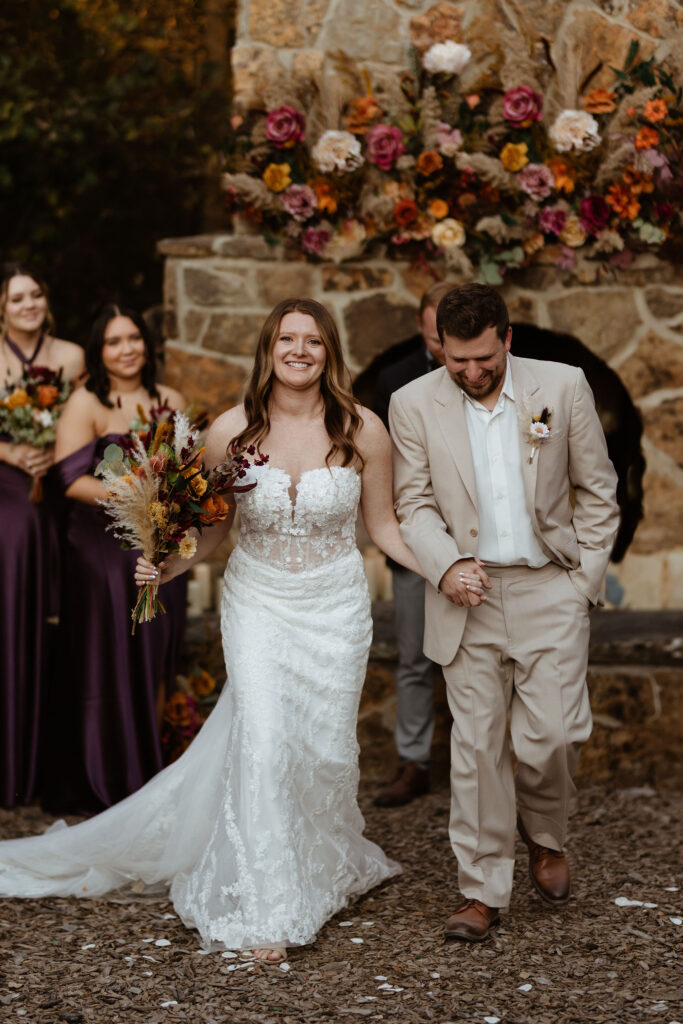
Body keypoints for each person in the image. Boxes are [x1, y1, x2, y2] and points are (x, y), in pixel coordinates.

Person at [0, 298, 485, 964]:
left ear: (328, 352)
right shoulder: (229, 431)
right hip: (257, 600)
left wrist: (444, 568)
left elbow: (386, 529)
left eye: (312, 341)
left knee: (319, 753)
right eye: (286, 338)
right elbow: (212, 529)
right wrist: (163, 567)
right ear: (268, 348)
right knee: (261, 745)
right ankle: (267, 903)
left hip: (333, 607)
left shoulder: (363, 428)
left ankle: (320, 861)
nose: (298, 350)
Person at [389, 284, 619, 942]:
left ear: (506, 338)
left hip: (550, 587)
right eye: (454, 360)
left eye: (481, 359)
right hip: (468, 593)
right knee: (475, 747)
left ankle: (544, 835)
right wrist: (444, 565)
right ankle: (481, 889)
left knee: (550, 737)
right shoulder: (412, 403)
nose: (468, 372)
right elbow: (414, 505)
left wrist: (581, 586)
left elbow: (597, 491)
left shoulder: (562, 386)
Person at [40, 304, 187, 815]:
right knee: (108, 650)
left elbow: (183, 472)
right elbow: (69, 480)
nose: (127, 349)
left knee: (157, 647)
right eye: (114, 341)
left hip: (156, 541)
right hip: (99, 542)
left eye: (134, 339)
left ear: (147, 344)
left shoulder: (169, 400)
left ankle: (151, 769)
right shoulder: (87, 403)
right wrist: (131, 490)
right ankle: (105, 773)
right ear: (100, 351)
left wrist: (166, 498)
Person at [0, 265, 85, 807]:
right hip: (7, 483)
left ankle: (48, 761)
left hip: (58, 481)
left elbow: (81, 418)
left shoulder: (71, 355)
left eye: (35, 295)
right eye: (16, 298)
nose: (28, 304)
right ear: (2, 309)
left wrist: (54, 454)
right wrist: (12, 451)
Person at [372, 281, 451, 808]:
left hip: (483, 544)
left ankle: (492, 764)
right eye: (436, 340)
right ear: (423, 329)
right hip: (411, 544)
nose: (448, 352)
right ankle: (414, 760)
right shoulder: (393, 380)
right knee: (415, 658)